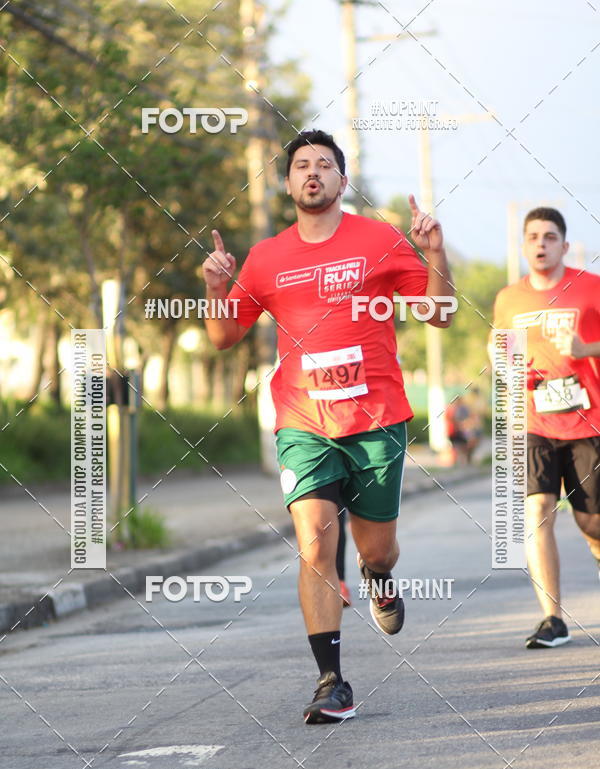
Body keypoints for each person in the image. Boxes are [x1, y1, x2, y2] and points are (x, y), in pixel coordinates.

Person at [202, 129, 454, 722]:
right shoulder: (266, 258)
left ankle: (379, 576)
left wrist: (435, 255)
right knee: (315, 540)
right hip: (302, 420)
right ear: (289, 184)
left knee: (379, 548)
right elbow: (222, 336)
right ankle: (331, 680)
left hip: (376, 419)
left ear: (342, 181)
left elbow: (439, 315)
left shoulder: (381, 240)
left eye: (324, 165)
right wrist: (215, 289)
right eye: (300, 166)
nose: (311, 172)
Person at [492, 207, 600, 648]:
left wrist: (584, 347)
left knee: (592, 523)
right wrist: (508, 366)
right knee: (537, 511)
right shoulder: (508, 299)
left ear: (564, 245)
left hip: (587, 420)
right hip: (533, 421)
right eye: (533, 236)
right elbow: (502, 352)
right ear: (523, 245)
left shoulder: (590, 289)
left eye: (550, 236)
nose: (541, 243)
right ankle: (552, 619)